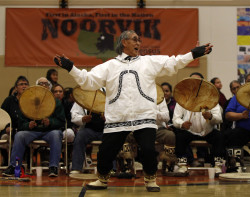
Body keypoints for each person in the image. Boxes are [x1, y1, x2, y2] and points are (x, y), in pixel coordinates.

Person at [54, 30, 213, 192]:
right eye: (135, 40)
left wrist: (193, 54)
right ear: (124, 42)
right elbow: (88, 81)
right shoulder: (110, 66)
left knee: (149, 150)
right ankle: (102, 179)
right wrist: (71, 67)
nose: (139, 43)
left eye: (139, 40)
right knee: (105, 152)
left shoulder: (149, 62)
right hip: (118, 117)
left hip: (144, 115)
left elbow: (174, 62)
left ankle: (150, 180)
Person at [2, 77, 65, 177]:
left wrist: (50, 122)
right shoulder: (27, 101)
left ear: (49, 87)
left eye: (46, 84)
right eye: (41, 84)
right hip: (32, 131)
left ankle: (53, 167)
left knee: (57, 134)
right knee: (19, 135)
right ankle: (14, 166)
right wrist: (28, 125)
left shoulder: (55, 102)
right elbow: (21, 123)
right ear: (36, 87)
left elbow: (61, 122)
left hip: (49, 131)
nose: (44, 86)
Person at [172, 72, 225, 175]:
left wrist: (210, 117)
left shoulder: (211, 99)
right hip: (190, 131)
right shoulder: (183, 99)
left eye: (198, 82)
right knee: (180, 136)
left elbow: (219, 119)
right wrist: (182, 124)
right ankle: (182, 165)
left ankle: (218, 165)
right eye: (192, 82)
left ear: (203, 84)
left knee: (219, 136)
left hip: (207, 131)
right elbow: (175, 119)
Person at [69, 101, 105, 175]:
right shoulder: (82, 98)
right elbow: (74, 116)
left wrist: (107, 118)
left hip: (105, 129)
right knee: (80, 136)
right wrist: (82, 119)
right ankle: (76, 168)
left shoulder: (107, 95)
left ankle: (111, 168)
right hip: (89, 130)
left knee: (111, 138)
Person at [0, 76, 30, 166]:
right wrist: (6, 127)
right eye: (21, 84)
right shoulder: (9, 100)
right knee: (5, 136)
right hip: (11, 129)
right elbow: (2, 116)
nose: (24, 86)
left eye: (26, 84)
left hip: (27, 128)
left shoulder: (31, 101)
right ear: (16, 88)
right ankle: (7, 161)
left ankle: (27, 162)